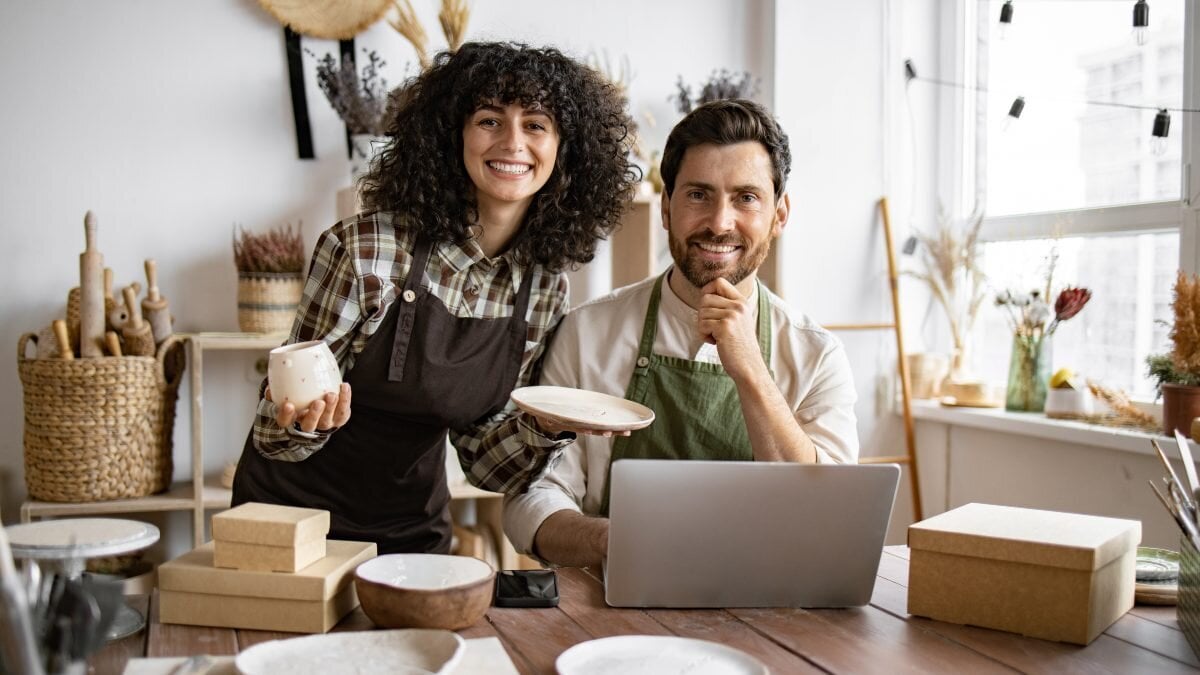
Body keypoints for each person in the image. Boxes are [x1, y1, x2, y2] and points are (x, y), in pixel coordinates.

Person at [232, 42, 639, 555]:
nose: (513, 142)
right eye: (490, 120)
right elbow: (275, 434)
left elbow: (485, 464)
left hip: (411, 533)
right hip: (289, 524)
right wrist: (302, 421)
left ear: (565, 149)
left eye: (536, 124)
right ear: (453, 135)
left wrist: (545, 427)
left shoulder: (542, 289)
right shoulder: (364, 249)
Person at [502, 99, 859, 567]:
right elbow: (532, 496)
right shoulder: (588, 332)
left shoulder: (817, 355)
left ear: (780, 214)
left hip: (773, 610)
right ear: (666, 208)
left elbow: (831, 519)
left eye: (746, 198)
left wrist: (750, 367)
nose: (719, 222)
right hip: (609, 603)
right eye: (698, 195)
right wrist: (612, 542)